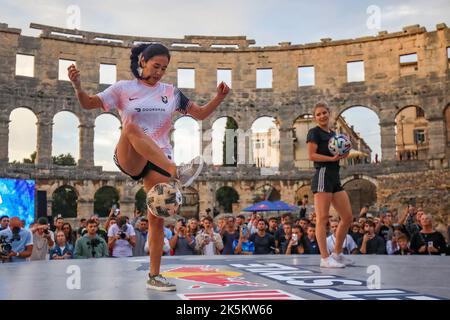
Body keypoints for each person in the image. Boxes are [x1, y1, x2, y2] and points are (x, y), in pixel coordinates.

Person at [68, 43, 229, 291]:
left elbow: (199, 114)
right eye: (156, 66)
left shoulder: (171, 92)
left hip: (159, 156)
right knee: (131, 127)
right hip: (131, 154)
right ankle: (177, 171)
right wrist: (77, 86)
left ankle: (154, 276)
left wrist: (218, 97)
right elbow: (89, 103)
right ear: (142, 61)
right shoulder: (124, 88)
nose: (160, 72)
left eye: (164, 68)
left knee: (157, 219)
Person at [307, 102, 353, 268]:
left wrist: (344, 153)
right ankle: (325, 258)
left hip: (335, 177)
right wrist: (331, 159)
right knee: (322, 218)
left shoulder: (334, 134)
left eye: (324, 113)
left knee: (347, 217)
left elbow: (338, 152)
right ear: (315, 117)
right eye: (318, 114)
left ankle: (337, 253)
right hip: (323, 175)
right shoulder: (314, 133)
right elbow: (312, 155)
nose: (322, 116)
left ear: (329, 113)